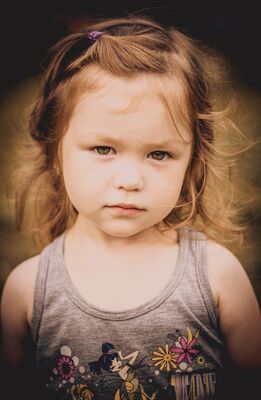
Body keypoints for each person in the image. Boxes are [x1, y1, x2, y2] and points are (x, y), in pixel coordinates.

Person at [0, 14, 260, 400]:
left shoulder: (216, 277)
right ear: (55, 151)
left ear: (192, 162)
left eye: (159, 153)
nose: (131, 179)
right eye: (103, 149)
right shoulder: (28, 292)